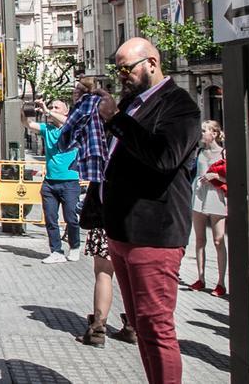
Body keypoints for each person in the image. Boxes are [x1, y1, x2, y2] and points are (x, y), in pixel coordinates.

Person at [97, 37, 201, 383]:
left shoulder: (179, 105)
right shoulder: (132, 103)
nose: (122, 75)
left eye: (127, 67)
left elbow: (163, 156)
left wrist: (116, 120)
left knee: (157, 327)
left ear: (152, 64)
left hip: (154, 235)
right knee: (141, 325)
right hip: (122, 232)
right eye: (118, 68)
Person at [57, 77, 136, 349]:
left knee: (104, 270)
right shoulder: (136, 111)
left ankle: (98, 328)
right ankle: (132, 325)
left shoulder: (89, 107)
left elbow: (65, 139)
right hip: (136, 205)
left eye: (75, 92)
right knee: (130, 271)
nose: (73, 97)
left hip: (106, 200)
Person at [22, 99, 82, 264]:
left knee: (71, 218)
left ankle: (75, 246)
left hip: (70, 181)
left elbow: (69, 122)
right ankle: (56, 251)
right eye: (51, 107)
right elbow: (27, 124)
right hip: (49, 182)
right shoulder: (47, 129)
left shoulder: (72, 127)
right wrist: (26, 108)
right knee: (50, 219)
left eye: (57, 107)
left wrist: (47, 111)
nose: (52, 109)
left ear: (65, 112)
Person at [188, 120, 227, 296]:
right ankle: (201, 277)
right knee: (200, 240)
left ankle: (220, 282)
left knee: (218, 240)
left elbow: (232, 178)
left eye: (204, 130)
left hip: (217, 197)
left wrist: (215, 175)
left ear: (214, 133)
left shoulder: (224, 153)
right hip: (199, 195)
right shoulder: (199, 152)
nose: (201, 133)